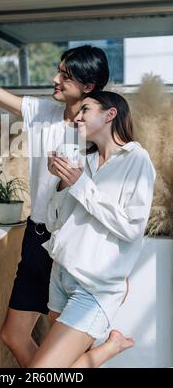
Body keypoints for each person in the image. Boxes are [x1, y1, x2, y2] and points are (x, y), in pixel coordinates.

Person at [0, 29, 109, 366]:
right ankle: (99, 354)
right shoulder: (42, 112)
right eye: (58, 70)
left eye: (65, 76)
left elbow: (113, 201)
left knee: (66, 351)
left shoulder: (101, 130)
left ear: (88, 87)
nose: (55, 79)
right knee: (13, 336)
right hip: (36, 235)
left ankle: (104, 351)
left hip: (72, 246)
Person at [28, 91, 156, 368]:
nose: (77, 116)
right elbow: (54, 223)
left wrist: (79, 184)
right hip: (60, 275)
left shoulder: (136, 159)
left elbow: (132, 228)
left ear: (110, 114)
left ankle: (108, 350)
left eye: (85, 109)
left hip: (94, 286)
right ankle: (110, 348)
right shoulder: (82, 162)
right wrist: (61, 183)